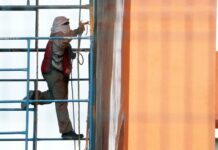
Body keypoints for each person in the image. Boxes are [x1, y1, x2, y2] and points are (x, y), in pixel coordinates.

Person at [21, 16, 85, 139]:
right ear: (60, 26)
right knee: (61, 101)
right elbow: (67, 39)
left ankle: (34, 96)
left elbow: (67, 47)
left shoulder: (57, 36)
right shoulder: (59, 37)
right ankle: (66, 131)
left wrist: (71, 52)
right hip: (54, 73)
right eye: (65, 24)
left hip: (52, 72)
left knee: (53, 95)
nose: (68, 25)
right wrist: (79, 30)